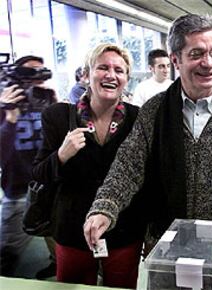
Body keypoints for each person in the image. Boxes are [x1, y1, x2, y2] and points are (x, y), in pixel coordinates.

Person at [83, 13, 212, 261]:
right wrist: (105, 207)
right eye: (196, 54)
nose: (209, 63)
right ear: (175, 60)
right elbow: (128, 166)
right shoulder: (155, 110)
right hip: (166, 241)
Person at [31, 43, 144, 288]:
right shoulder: (58, 116)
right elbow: (39, 173)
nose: (111, 75)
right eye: (102, 67)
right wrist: (61, 154)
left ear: (126, 80)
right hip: (72, 230)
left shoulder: (139, 119)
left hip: (124, 230)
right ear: (87, 74)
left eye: (119, 70)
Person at [0, 55, 57, 277]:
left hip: (49, 185)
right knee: (7, 254)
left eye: (41, 72)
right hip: (18, 190)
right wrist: (9, 115)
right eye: (31, 72)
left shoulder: (46, 100)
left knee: (57, 237)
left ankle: (56, 263)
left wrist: (58, 108)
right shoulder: (5, 104)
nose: (38, 77)